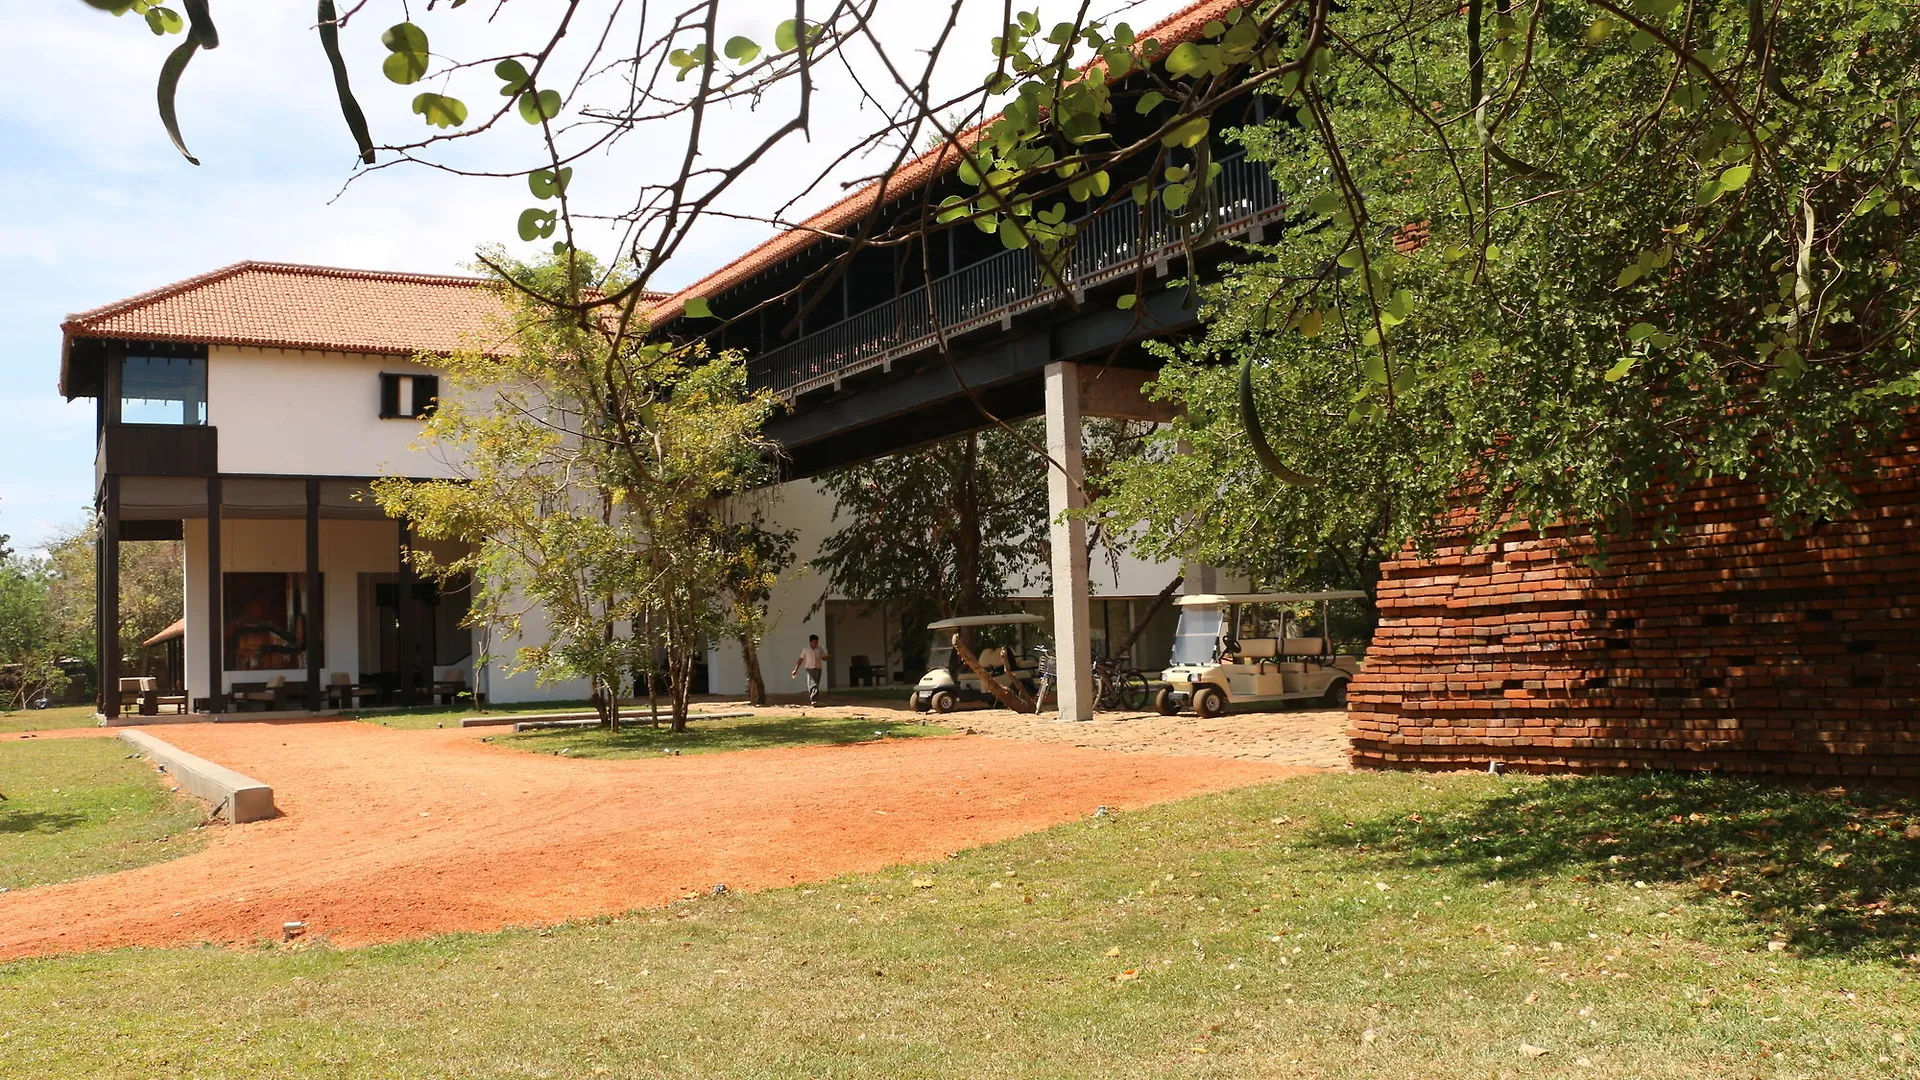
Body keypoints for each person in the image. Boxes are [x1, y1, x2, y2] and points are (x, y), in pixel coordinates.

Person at [791, 634, 829, 706]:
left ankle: (814, 699)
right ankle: (813, 700)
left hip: (818, 668)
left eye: (817, 642)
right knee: (812, 684)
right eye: (814, 642)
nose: (816, 644)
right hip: (809, 668)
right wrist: (795, 669)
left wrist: (827, 657)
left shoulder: (820, 649)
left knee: (815, 684)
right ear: (810, 642)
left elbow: (823, 659)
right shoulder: (805, 649)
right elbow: (800, 659)